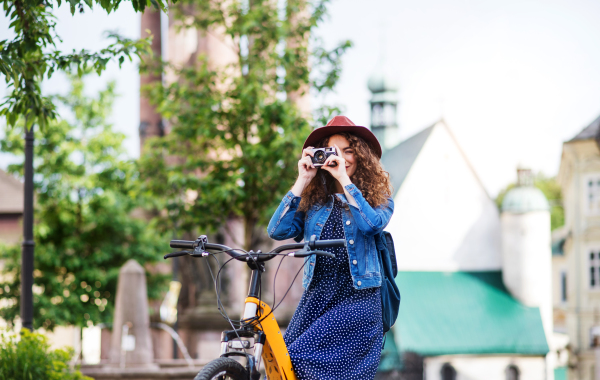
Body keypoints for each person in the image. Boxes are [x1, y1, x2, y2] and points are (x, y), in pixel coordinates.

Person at [267, 116, 394, 380]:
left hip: (357, 298)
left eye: (349, 150)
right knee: (279, 364)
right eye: (334, 151)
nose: (343, 157)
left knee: (299, 359)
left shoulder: (379, 200)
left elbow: (371, 225)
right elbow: (276, 230)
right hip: (317, 296)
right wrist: (303, 179)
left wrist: (345, 180)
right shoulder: (314, 203)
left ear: (362, 156)